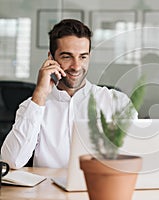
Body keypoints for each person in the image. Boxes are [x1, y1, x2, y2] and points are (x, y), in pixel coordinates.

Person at [1, 19, 137, 169]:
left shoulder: (116, 101)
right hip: (48, 191)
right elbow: (11, 161)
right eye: (67, 57)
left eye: (83, 57)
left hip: (100, 188)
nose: (76, 66)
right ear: (51, 59)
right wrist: (40, 94)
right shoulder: (32, 106)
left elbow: (136, 160)